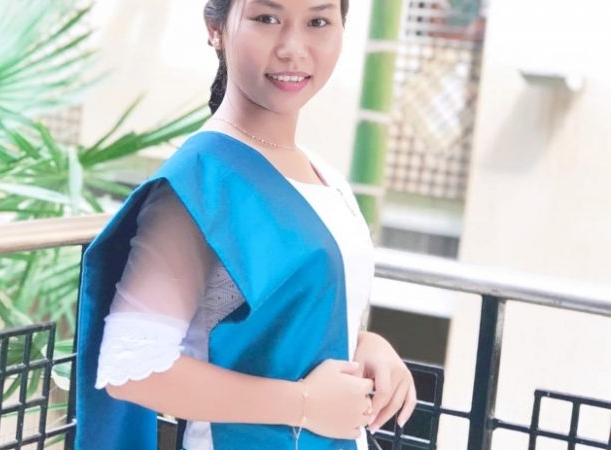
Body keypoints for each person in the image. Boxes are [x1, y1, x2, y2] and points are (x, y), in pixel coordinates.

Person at [75, 1, 417, 449]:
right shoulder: (202, 179)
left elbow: (288, 321)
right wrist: (305, 403)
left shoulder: (325, 176)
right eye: (266, 18)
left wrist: (363, 344)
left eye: (317, 21)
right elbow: (132, 368)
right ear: (215, 27)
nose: (293, 48)